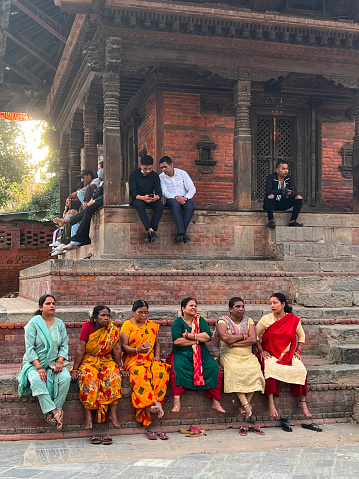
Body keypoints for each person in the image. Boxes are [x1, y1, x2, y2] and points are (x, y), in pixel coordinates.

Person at [18, 294, 71, 431]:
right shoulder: (34, 323)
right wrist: (39, 368)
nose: (52, 305)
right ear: (41, 307)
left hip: (55, 363)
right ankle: (54, 412)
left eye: (53, 303)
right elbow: (29, 349)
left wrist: (60, 362)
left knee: (66, 378)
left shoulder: (59, 323)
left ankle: (57, 410)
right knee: (37, 380)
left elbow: (64, 345)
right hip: (34, 363)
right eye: (48, 303)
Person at [255, 292, 311, 419]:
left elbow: (301, 336)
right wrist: (261, 350)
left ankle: (302, 402)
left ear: (283, 304)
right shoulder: (266, 319)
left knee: (301, 370)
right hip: (271, 354)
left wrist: (298, 351)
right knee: (270, 369)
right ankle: (271, 403)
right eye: (271, 303)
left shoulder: (293, 320)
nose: (272, 306)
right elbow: (255, 336)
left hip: (287, 354)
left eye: (275, 303)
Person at [120, 300, 170, 440]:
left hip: (149, 358)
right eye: (140, 312)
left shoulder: (151, 325)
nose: (143, 315)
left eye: (146, 312)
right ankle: (148, 406)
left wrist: (158, 356)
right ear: (133, 312)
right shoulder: (127, 325)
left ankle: (156, 402)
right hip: (133, 359)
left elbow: (156, 343)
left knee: (160, 371)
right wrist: (137, 350)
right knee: (139, 374)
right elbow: (123, 347)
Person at [71, 305, 123, 436]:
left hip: (106, 359)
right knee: (88, 376)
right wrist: (75, 369)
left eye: (108, 316)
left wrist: (120, 366)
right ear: (95, 317)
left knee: (114, 376)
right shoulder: (87, 326)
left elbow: (117, 349)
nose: (106, 318)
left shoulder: (112, 328)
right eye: (103, 315)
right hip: (89, 359)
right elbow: (81, 349)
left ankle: (113, 413)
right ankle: (88, 414)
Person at [166, 297, 225, 414]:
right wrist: (198, 339)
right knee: (176, 368)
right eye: (191, 305)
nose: (194, 308)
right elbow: (177, 341)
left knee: (214, 369)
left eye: (195, 306)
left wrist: (189, 336)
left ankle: (216, 402)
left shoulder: (200, 320)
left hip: (201, 353)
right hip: (181, 353)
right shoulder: (178, 322)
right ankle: (177, 401)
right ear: (183, 308)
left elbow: (207, 337)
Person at [216, 297, 265, 435]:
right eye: (237, 306)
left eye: (243, 306)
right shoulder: (223, 321)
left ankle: (245, 405)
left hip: (247, 355)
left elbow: (253, 339)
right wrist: (243, 337)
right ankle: (246, 405)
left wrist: (235, 341)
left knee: (255, 371)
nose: (241, 309)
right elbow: (224, 338)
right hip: (229, 356)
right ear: (230, 309)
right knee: (235, 371)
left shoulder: (248, 320)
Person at [159, 156, 196, 244]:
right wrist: (176, 197)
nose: (163, 169)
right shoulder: (161, 177)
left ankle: (180, 233)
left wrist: (185, 198)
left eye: (165, 167)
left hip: (184, 197)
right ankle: (182, 233)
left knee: (190, 206)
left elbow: (192, 188)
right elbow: (164, 192)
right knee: (175, 205)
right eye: (162, 167)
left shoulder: (182, 173)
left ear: (171, 165)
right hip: (171, 199)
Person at [129, 154, 164, 243]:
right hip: (138, 198)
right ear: (141, 166)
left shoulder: (155, 176)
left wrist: (156, 197)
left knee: (160, 205)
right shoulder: (133, 175)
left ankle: (152, 230)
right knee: (140, 205)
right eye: (145, 169)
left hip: (150, 198)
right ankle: (150, 229)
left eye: (150, 169)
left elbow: (159, 192)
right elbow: (132, 193)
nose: (148, 171)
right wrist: (143, 198)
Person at [263, 159, 303, 229]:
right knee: (271, 195)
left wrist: (291, 193)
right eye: (283, 169)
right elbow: (268, 191)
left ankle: (293, 221)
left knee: (298, 197)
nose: (286, 171)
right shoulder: (271, 178)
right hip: (272, 203)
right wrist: (280, 191)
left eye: (287, 169)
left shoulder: (289, 179)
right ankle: (271, 220)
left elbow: (294, 190)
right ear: (277, 170)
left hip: (283, 203)